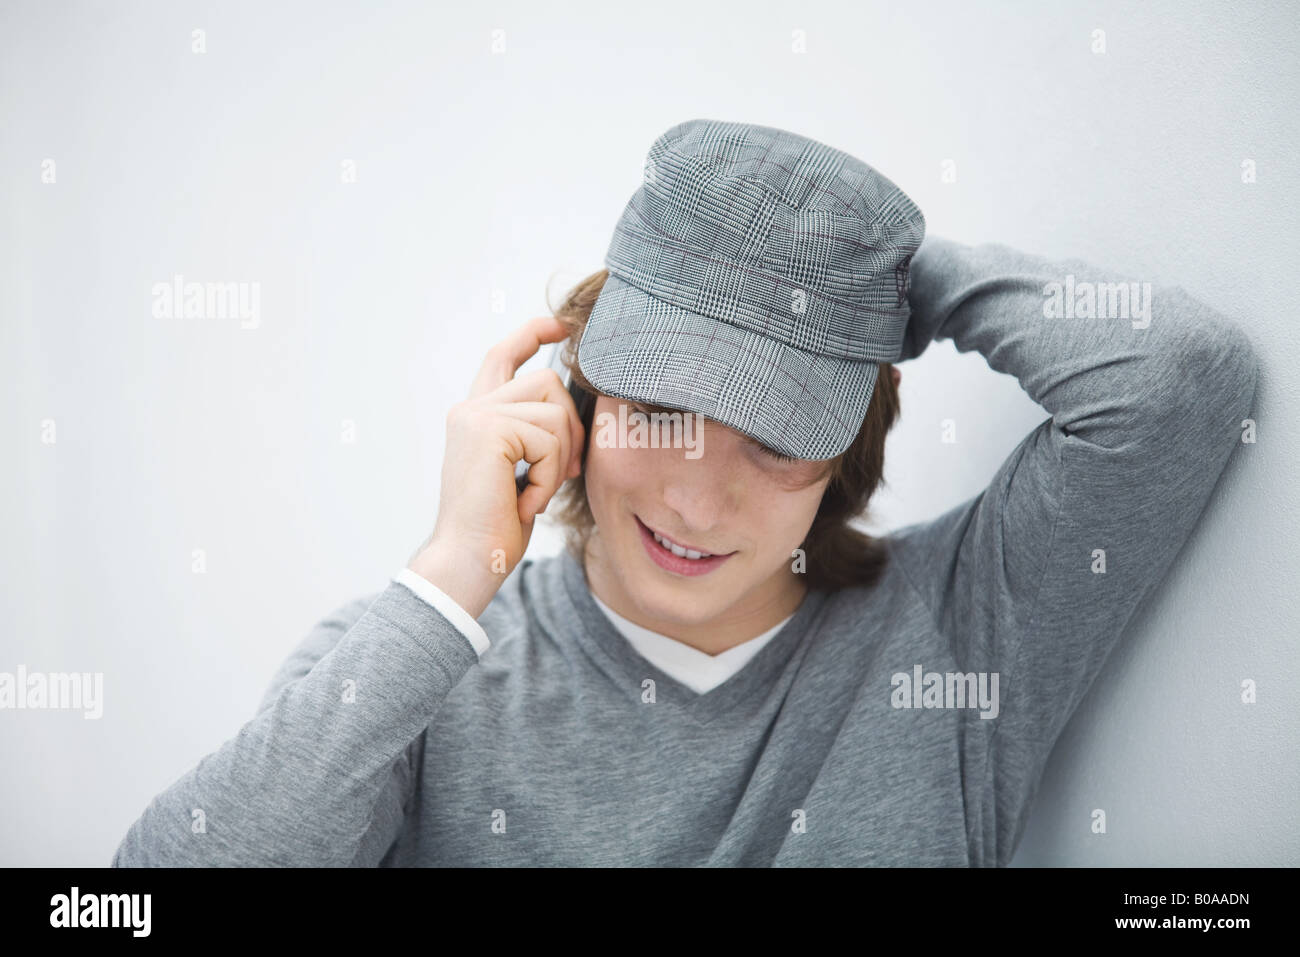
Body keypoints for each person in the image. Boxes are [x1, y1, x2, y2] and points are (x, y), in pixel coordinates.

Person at [111, 120, 1259, 867]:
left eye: (773, 442)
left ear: (845, 457)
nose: (697, 505)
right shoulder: (412, 663)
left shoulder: (960, 629)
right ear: (574, 402)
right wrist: (453, 571)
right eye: (659, 416)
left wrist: (877, 286)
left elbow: (1180, 381)